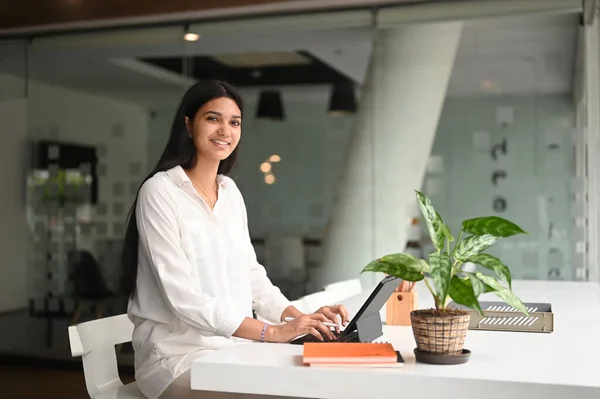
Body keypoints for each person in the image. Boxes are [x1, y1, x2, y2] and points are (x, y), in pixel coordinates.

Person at [119, 80, 350, 399]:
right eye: (213, 118)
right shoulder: (160, 192)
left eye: (234, 122)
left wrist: (300, 319)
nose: (225, 130)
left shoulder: (229, 192)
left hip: (236, 352)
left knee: (322, 382)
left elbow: (252, 275)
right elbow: (184, 299)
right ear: (188, 124)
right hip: (176, 360)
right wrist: (272, 332)